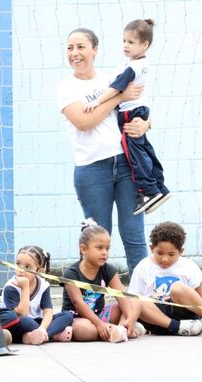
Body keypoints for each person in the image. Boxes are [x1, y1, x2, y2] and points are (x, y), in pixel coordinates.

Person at [58, 27, 150, 274]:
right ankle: (94, 298)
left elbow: (139, 107)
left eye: (80, 47)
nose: (74, 53)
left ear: (94, 50)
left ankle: (144, 301)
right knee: (96, 239)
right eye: (70, 48)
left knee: (134, 233)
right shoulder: (66, 87)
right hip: (92, 170)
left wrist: (146, 124)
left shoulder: (112, 79)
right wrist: (118, 97)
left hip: (125, 164)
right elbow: (84, 121)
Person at [84, 19, 171, 215]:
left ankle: (149, 190)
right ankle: (159, 187)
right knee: (144, 148)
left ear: (145, 45)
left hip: (131, 113)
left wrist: (97, 102)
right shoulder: (137, 63)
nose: (125, 46)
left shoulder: (132, 67)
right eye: (124, 41)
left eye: (131, 42)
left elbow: (116, 88)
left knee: (134, 152)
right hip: (138, 110)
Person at [130, 222, 202, 336]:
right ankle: (178, 327)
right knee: (137, 300)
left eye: (171, 254)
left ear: (181, 252)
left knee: (177, 288)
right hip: (157, 319)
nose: (164, 259)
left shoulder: (188, 266)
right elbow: (133, 298)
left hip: (184, 314)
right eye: (159, 253)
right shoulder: (143, 266)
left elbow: (199, 296)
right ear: (151, 248)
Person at [61, 219, 141, 342]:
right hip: (79, 318)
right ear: (84, 249)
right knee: (82, 330)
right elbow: (78, 303)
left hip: (101, 314)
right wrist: (99, 324)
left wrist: (130, 318)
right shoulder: (71, 273)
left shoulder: (108, 270)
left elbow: (120, 294)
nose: (104, 253)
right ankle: (116, 332)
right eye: (99, 248)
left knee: (134, 302)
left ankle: (124, 327)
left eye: (107, 248)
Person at [0, 245, 74, 345]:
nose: (20, 270)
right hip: (19, 324)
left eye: (27, 267)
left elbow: (48, 312)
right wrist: (24, 288)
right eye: (18, 264)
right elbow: (22, 314)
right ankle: (51, 334)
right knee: (26, 320)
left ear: (38, 271)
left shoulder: (43, 285)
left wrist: (42, 329)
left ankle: (43, 335)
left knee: (67, 315)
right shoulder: (11, 286)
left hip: (37, 322)